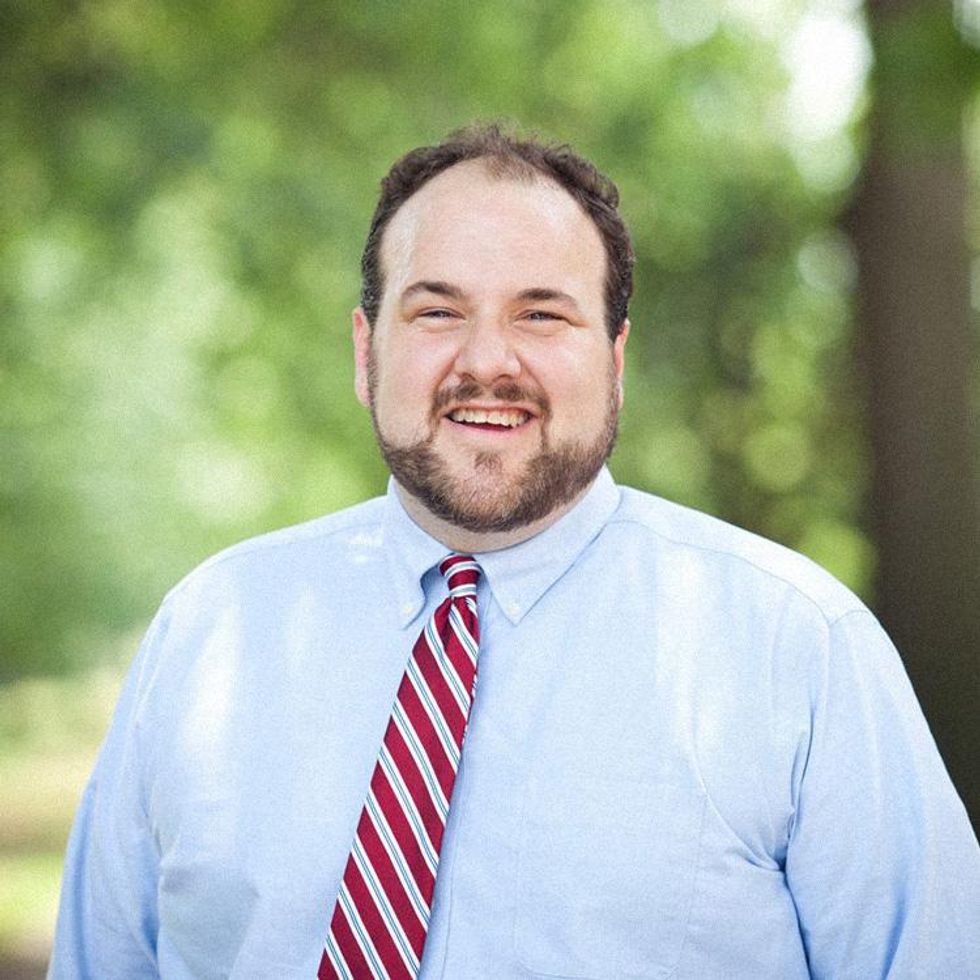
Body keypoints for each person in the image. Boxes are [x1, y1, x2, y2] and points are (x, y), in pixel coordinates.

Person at [49, 124, 980, 980]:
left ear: (615, 359)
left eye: (542, 314)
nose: (487, 361)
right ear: (366, 350)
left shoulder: (795, 647)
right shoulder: (211, 632)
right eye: (437, 312)